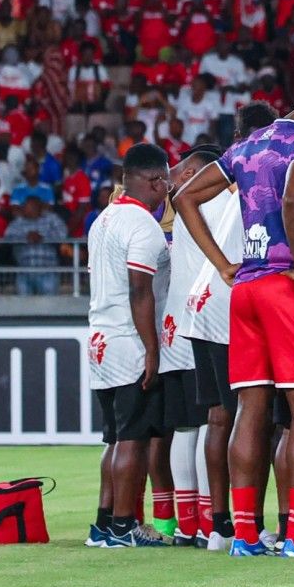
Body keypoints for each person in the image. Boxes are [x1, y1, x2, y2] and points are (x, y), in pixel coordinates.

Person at [173, 82, 294, 557]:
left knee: (249, 412)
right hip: (284, 289)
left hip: (245, 288)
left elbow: (183, 198)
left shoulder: (246, 145)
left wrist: (222, 264)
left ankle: (245, 537)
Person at [179, 101, 278, 553]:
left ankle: (219, 525)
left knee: (219, 417)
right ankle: (249, 525)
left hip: (201, 302)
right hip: (231, 298)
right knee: (255, 417)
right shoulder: (259, 174)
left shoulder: (220, 173)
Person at [85, 142, 173, 549]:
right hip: (126, 340)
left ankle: (104, 523)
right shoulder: (142, 226)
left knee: (115, 439)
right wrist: (151, 349)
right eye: (166, 183)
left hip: (99, 337)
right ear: (156, 181)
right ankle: (124, 525)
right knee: (134, 439)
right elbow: (141, 291)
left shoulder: (103, 220)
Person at [159, 142, 221, 546]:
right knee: (209, 421)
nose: (174, 177)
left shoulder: (181, 212)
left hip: (173, 325)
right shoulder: (211, 206)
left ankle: (187, 523)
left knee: (186, 425)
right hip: (202, 322)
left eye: (182, 170)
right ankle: (207, 519)